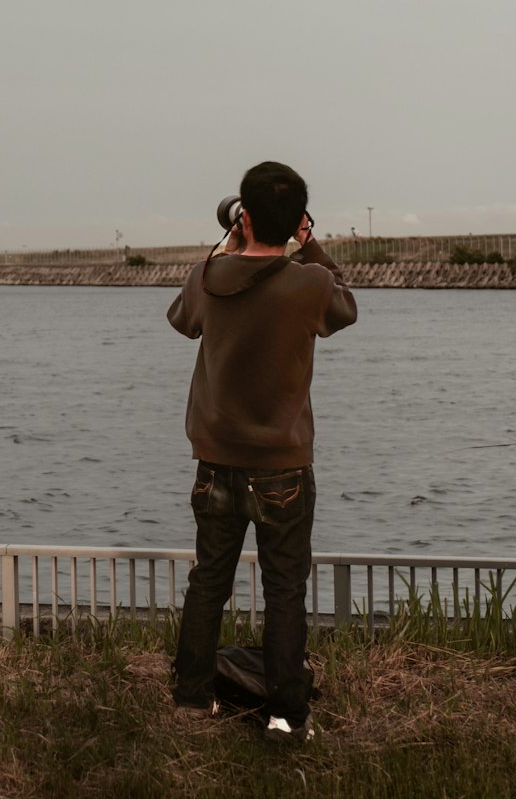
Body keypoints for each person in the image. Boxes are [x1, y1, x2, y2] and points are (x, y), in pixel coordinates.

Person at [167, 160, 357, 743]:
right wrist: (310, 244)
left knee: (209, 580)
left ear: (243, 217)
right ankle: (284, 715)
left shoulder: (209, 276)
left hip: (214, 459)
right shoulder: (310, 284)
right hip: (283, 468)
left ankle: (193, 697)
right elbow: (346, 308)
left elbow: (181, 319)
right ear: (297, 217)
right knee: (284, 590)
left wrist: (226, 244)